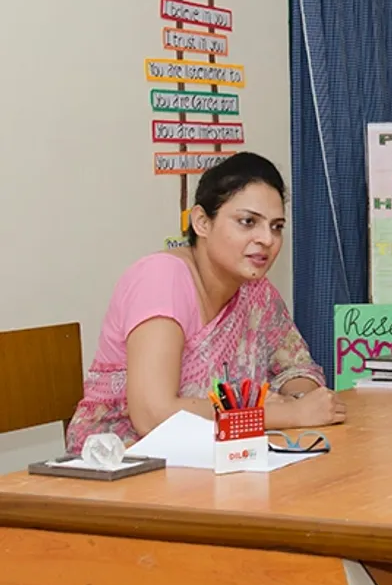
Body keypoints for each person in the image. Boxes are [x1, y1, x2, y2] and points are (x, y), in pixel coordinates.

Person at [65, 152, 345, 453]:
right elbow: (153, 415)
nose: (266, 239)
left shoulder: (256, 291)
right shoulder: (161, 279)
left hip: (217, 461)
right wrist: (284, 414)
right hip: (123, 463)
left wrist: (300, 400)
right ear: (201, 222)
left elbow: (298, 370)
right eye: (248, 222)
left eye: (276, 226)